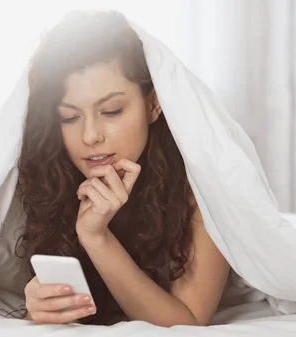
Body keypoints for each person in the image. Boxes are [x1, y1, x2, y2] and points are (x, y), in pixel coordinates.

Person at [16, 10, 230, 327]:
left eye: (111, 111)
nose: (90, 136)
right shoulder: (54, 175)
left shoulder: (202, 184)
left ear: (154, 104)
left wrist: (97, 237)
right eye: (69, 117)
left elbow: (189, 322)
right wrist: (40, 303)